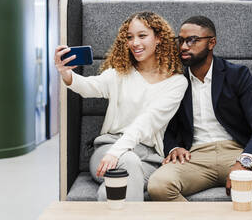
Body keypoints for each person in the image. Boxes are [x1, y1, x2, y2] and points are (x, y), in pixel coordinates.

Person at [147, 16, 252, 202]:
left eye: (192, 40)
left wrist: (245, 160)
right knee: (158, 185)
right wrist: (174, 147)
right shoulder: (176, 82)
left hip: (237, 151)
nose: (184, 46)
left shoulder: (236, 75)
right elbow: (166, 128)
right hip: (195, 157)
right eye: (181, 40)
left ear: (212, 43)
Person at [54, 12, 188, 201]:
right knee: (128, 163)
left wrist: (117, 153)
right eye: (129, 37)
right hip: (108, 148)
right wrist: (66, 74)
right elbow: (89, 87)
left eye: (142, 36)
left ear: (158, 38)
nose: (135, 43)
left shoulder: (176, 82)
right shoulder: (119, 73)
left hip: (148, 159)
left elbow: (148, 121)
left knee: (109, 192)